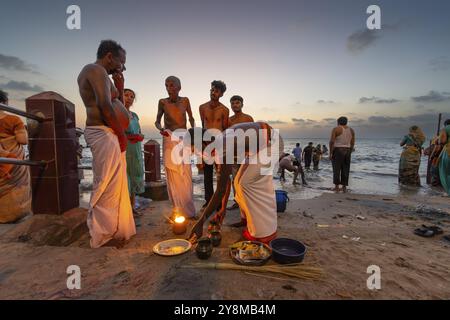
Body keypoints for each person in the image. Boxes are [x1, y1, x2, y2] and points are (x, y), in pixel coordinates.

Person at [77, 40, 136, 248]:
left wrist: (119, 87)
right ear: (109, 56)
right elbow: (104, 105)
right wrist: (121, 136)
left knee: (115, 184)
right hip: (103, 132)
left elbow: (114, 102)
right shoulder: (95, 69)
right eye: (121, 62)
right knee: (105, 184)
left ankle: (114, 229)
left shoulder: (103, 75)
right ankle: (101, 235)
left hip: (108, 132)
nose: (123, 67)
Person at [187, 121, 282, 244]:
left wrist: (200, 223)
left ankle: (264, 233)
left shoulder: (223, 146)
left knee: (246, 184)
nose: (198, 155)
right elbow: (225, 182)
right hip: (258, 148)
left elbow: (220, 190)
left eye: (197, 150)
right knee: (238, 182)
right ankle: (246, 219)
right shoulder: (217, 146)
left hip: (272, 144)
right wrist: (223, 209)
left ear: (204, 143)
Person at [155, 76, 196, 219]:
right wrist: (161, 129)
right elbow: (157, 121)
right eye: (166, 85)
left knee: (185, 174)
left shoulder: (185, 100)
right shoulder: (162, 102)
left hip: (184, 137)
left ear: (179, 87)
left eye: (172, 85)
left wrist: (194, 134)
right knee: (173, 174)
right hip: (168, 138)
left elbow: (191, 118)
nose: (169, 88)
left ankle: (189, 209)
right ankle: (176, 209)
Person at [0, 90, 31, 223]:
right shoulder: (13, 120)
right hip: (12, 159)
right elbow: (23, 140)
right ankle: (9, 216)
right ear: (5, 102)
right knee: (14, 185)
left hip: (2, 157)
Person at [199, 80, 229, 207]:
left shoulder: (224, 110)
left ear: (221, 94)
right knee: (207, 175)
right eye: (212, 90)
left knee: (220, 176)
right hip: (206, 144)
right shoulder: (202, 107)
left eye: (216, 91)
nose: (213, 92)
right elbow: (203, 126)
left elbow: (226, 129)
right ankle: (208, 201)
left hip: (219, 145)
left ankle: (218, 203)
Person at [227, 95, 254, 212]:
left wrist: (252, 151)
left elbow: (253, 135)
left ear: (242, 104)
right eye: (233, 103)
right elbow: (227, 137)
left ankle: (248, 201)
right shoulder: (229, 120)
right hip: (233, 154)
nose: (235, 105)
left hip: (246, 154)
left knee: (246, 179)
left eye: (237, 103)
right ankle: (237, 201)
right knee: (235, 179)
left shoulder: (248, 118)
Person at [123, 89, 145, 218]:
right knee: (125, 178)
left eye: (132, 96)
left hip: (135, 148)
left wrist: (140, 136)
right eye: (126, 95)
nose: (129, 98)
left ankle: (132, 206)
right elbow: (116, 132)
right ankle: (125, 209)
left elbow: (139, 131)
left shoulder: (135, 115)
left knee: (135, 174)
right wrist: (130, 137)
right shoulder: (117, 112)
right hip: (124, 148)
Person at [329, 117, 355, 193]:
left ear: (338, 122)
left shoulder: (336, 129)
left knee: (336, 169)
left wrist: (330, 153)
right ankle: (344, 187)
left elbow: (332, 141)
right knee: (346, 169)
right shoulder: (351, 130)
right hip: (347, 151)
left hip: (338, 150)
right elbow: (352, 142)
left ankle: (336, 187)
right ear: (346, 122)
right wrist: (350, 150)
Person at [438, 119, 450, 195]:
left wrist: (438, 140)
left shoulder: (445, 129)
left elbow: (443, 141)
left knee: (446, 171)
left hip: (448, 151)